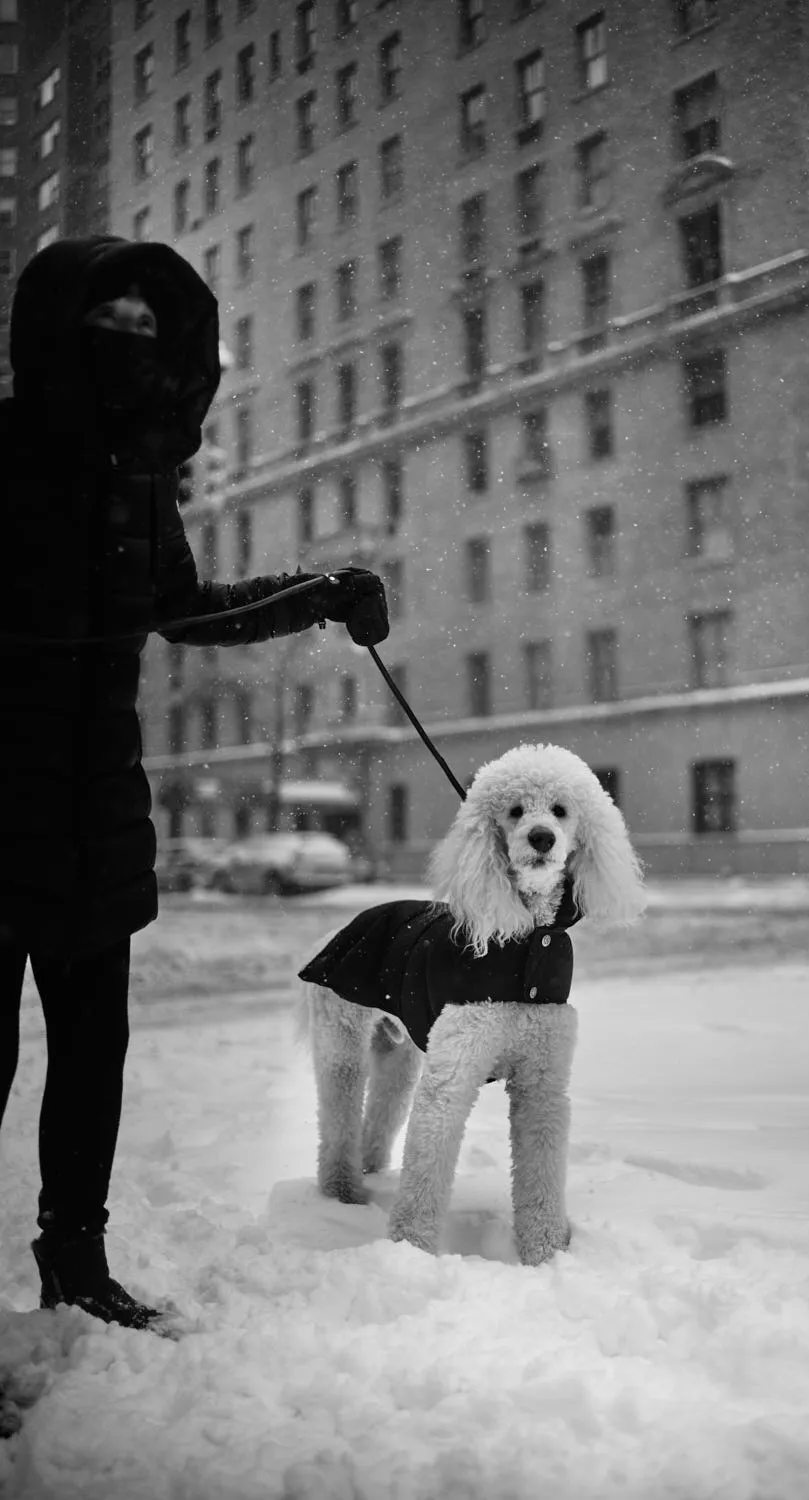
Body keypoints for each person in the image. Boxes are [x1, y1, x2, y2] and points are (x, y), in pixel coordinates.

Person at [0, 236, 389, 1331]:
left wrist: (320, 592)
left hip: (99, 819)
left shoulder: (136, 485)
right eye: (106, 326)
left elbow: (188, 609)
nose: (127, 347)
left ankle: (76, 1265)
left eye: (143, 329)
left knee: (90, 1064)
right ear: (55, 332)